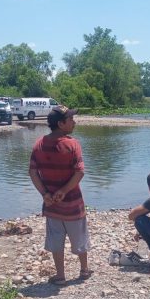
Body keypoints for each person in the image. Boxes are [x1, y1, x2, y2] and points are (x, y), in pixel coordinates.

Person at [29, 105, 92, 285]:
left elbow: (33, 173)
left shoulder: (39, 144)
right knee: (79, 236)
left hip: (51, 205)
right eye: (71, 119)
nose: (74, 122)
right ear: (61, 123)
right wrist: (63, 191)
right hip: (72, 204)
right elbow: (80, 172)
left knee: (56, 239)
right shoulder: (72, 144)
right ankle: (84, 270)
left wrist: (45, 194)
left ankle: (60, 275)